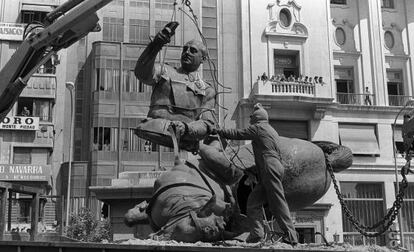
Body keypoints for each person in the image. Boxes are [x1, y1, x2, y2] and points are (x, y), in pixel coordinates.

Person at [216, 103, 298, 245]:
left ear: (257, 118)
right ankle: (257, 235)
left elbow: (238, 134)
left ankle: (291, 236)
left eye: (251, 117)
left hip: (269, 167)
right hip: (271, 167)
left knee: (277, 203)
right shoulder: (271, 130)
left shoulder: (259, 127)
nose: (249, 120)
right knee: (253, 203)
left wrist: (220, 132)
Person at [134, 22, 216, 151]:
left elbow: (207, 124)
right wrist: (156, 45)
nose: (187, 52)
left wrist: (187, 128)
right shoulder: (164, 71)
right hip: (154, 127)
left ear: (203, 59)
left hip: (185, 137)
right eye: (185, 49)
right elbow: (141, 73)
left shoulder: (207, 90)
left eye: (193, 51)